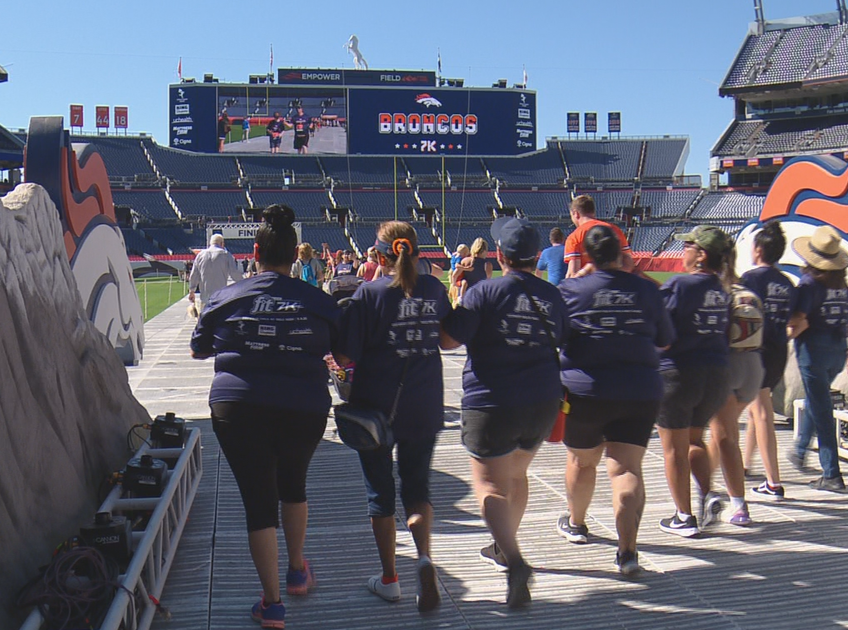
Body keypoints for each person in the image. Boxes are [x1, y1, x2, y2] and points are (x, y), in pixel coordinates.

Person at [190, 205, 340, 629]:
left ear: (254, 252)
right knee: (293, 482)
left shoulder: (225, 298)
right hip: (304, 406)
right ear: (296, 256)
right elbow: (343, 351)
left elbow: (198, 349)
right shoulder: (319, 302)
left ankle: (272, 605)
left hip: (239, 408)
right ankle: (296, 570)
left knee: (259, 501)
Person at [440, 217, 567, 608]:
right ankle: (504, 545)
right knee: (517, 474)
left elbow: (447, 340)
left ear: (499, 255)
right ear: (536, 257)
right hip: (542, 401)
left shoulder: (484, 292)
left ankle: (513, 559)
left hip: (493, 401)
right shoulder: (553, 296)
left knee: (489, 485)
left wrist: (454, 293)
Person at [334, 221, 452, 613]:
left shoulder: (368, 294)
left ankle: (390, 579)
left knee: (379, 496)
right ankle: (422, 559)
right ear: (416, 252)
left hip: (375, 408)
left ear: (380, 256)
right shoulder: (434, 288)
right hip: (423, 404)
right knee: (418, 490)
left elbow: (347, 357)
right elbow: (448, 338)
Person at [556, 225, 674, 574]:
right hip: (639, 389)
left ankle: (576, 524)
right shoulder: (646, 290)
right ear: (622, 253)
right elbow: (665, 340)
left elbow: (557, 337)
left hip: (585, 390)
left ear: (588, 255)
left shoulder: (570, 289)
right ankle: (627, 551)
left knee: (582, 461)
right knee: (626, 468)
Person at [656, 225, 732, 538]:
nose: (682, 251)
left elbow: (662, 335)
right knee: (694, 440)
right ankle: (709, 494)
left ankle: (684, 516)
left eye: (687, 245)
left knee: (673, 449)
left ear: (700, 254)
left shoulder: (680, 285)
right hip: (715, 374)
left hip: (678, 374)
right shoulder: (721, 289)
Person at [788, 226, 848, 492]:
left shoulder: (808, 285)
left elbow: (800, 321)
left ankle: (831, 473)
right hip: (837, 352)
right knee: (816, 399)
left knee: (822, 410)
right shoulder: (842, 286)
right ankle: (799, 449)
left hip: (813, 352)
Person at [703, 263, 765, 526]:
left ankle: (736, 504)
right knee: (720, 435)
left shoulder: (716, 295)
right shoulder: (747, 293)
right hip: (753, 366)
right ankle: (704, 491)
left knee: (725, 437)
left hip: (727, 365)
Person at [740, 222, 796, 500]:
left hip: (756, 351)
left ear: (759, 249)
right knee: (755, 410)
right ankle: (746, 465)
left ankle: (773, 482)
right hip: (778, 352)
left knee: (762, 412)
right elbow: (797, 320)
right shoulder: (786, 282)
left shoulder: (750, 280)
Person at [563, 195, 634, 278]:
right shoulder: (614, 230)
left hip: (589, 288)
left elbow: (572, 275)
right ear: (593, 211)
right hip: (617, 285)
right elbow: (628, 264)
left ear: (576, 214)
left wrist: (587, 271)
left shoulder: (574, 237)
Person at [189, 233, 242, 309]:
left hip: (205, 297)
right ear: (222, 243)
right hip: (220, 297)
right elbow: (234, 274)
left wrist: (192, 291)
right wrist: (244, 282)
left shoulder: (200, 255)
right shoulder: (226, 254)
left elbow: (194, 275)